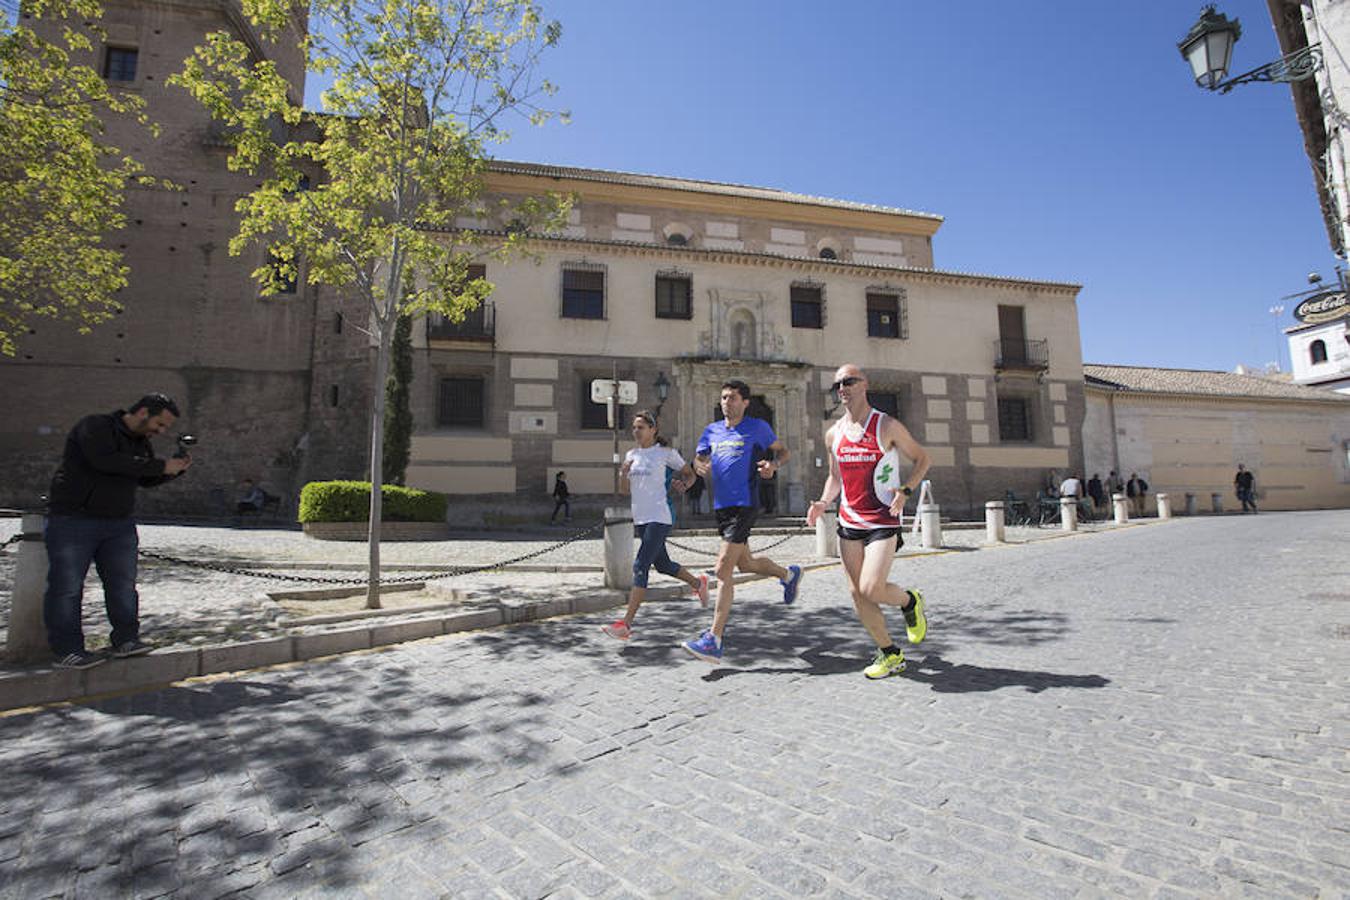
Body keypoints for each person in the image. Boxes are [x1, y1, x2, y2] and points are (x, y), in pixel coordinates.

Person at [44, 393, 191, 669]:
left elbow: (143, 478)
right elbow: (107, 461)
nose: (160, 431)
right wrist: (161, 465)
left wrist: (174, 470)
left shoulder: (141, 443)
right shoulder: (95, 426)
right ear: (143, 412)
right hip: (74, 520)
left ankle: (126, 640)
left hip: (118, 524)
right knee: (67, 588)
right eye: (159, 424)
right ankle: (67, 649)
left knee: (122, 586)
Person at [807, 365, 931, 679]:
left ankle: (909, 601)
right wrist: (823, 502)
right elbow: (835, 478)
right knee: (857, 593)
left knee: (871, 587)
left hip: (882, 518)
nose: (842, 388)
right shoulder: (833, 434)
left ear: (865, 385)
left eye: (849, 381)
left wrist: (906, 490)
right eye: (838, 384)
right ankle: (890, 653)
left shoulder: (886, 425)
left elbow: (922, 459)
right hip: (849, 521)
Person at [682, 379, 802, 664]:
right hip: (722, 507)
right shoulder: (711, 431)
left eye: (733, 397)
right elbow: (698, 459)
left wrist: (773, 465)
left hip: (746, 504)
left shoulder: (758, 427)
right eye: (724, 397)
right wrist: (698, 466)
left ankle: (713, 640)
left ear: (745, 402)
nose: (727, 402)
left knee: (723, 569)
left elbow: (784, 452)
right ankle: (789, 575)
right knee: (745, 564)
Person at [602, 412, 710, 640]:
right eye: (634, 427)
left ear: (653, 430)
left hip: (660, 515)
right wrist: (623, 474)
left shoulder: (666, 453)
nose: (636, 431)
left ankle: (625, 624)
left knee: (640, 565)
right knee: (663, 565)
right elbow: (625, 491)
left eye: (641, 427)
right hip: (640, 517)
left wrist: (685, 486)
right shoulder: (631, 455)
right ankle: (698, 583)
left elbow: (689, 474)